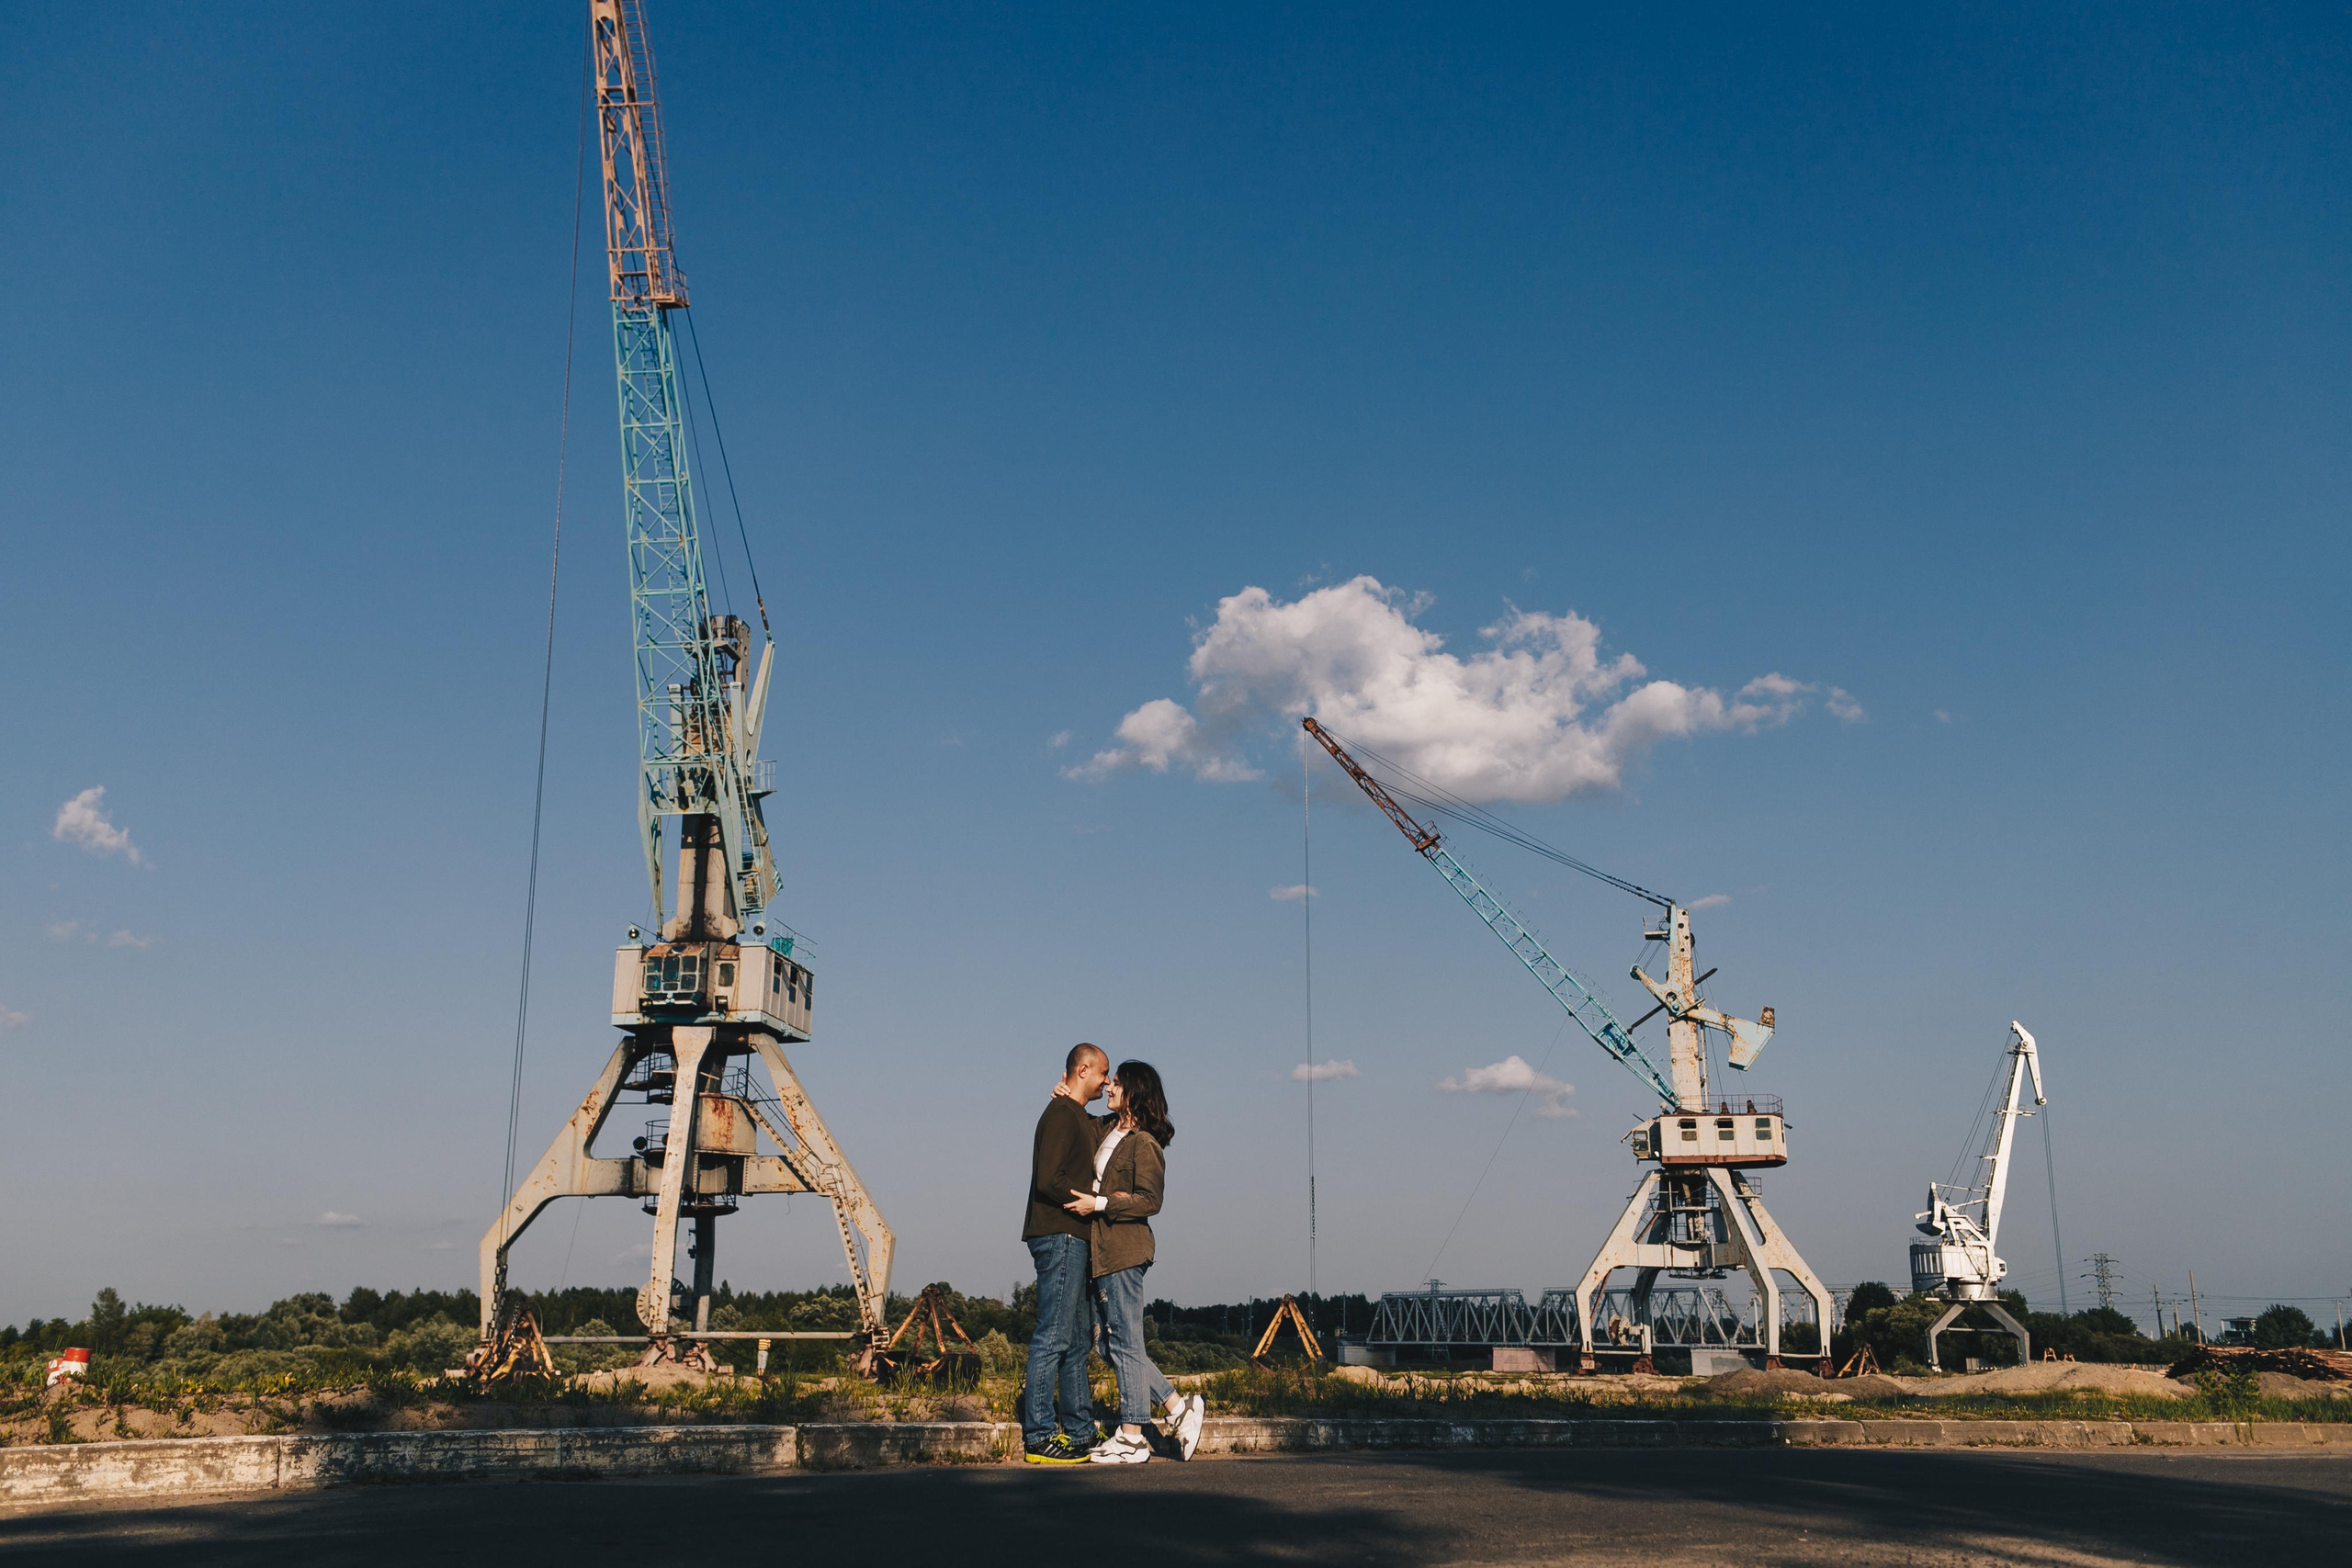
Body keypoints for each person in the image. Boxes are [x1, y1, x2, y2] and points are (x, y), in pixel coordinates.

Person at [1059, 1058, 1205, 1463]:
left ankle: (1133, 1436)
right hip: (1102, 1252)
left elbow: (1150, 1200)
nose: (1109, 1088)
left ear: (1134, 1093)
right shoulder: (1107, 1129)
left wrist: (1101, 1203)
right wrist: (1067, 1099)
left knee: (1124, 1341)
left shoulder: (1145, 1143)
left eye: (1117, 1084)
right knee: (1108, 1345)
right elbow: (1078, 1126)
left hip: (1125, 1250)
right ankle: (1178, 1408)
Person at [1021, 1043, 1109, 1464]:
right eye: (1103, 1073)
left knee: (1075, 1341)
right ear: (1083, 1069)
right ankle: (1038, 1435)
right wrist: (1088, 1198)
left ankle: (1079, 1431)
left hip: (1073, 1238)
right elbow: (1047, 1179)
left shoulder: (1076, 1115)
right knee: (1053, 1337)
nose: (1107, 1081)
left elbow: (1108, 1126)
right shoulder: (1059, 1114)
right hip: (1059, 1235)